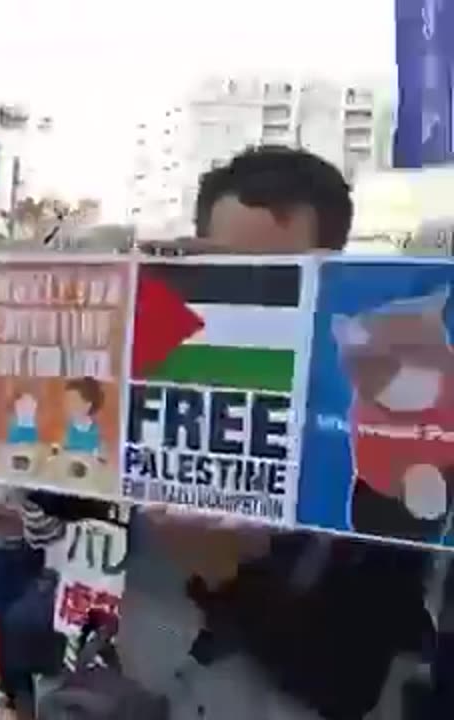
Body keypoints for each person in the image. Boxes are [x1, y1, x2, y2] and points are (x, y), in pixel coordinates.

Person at [121, 146, 431, 720]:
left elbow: (352, 680)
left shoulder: (387, 438)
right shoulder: (146, 393)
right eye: (231, 274)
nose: (256, 304)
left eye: (286, 279)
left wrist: (232, 578)